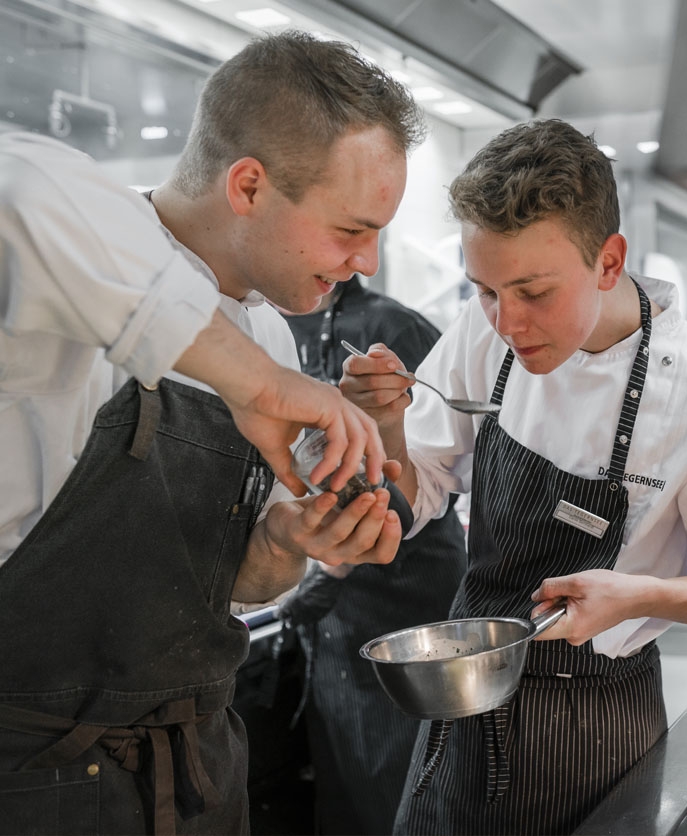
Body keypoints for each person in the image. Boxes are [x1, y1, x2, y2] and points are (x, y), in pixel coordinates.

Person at [0, 30, 425, 835]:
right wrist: (257, 384)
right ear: (249, 185)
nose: (365, 260)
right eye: (350, 228)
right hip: (33, 785)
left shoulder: (267, 335)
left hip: (197, 776)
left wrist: (287, 543)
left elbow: (231, 587)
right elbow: (16, 180)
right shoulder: (52, 285)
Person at [339, 118, 687, 836]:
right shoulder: (481, 332)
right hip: (464, 705)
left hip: (595, 724)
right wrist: (388, 424)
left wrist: (636, 596)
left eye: (533, 291)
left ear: (609, 262)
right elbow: (420, 486)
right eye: (487, 291)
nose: (507, 322)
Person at [276, 277, 468, 835]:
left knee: (408, 777)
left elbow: (437, 468)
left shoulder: (396, 327)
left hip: (408, 588)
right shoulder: (273, 324)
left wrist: (333, 563)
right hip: (333, 602)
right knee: (348, 776)